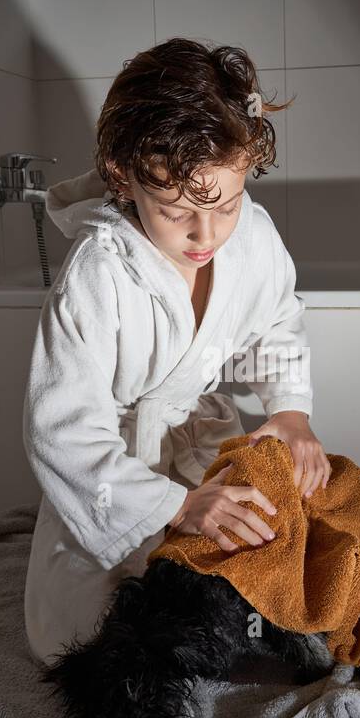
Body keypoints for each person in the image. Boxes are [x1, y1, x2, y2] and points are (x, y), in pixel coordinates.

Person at [22, 38, 330, 667]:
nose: (206, 234)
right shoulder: (98, 270)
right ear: (122, 174)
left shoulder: (252, 236)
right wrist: (176, 507)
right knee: (98, 633)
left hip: (204, 444)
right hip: (116, 483)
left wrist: (292, 413)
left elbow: (278, 320)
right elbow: (59, 428)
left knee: (286, 563)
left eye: (225, 203)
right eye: (176, 209)